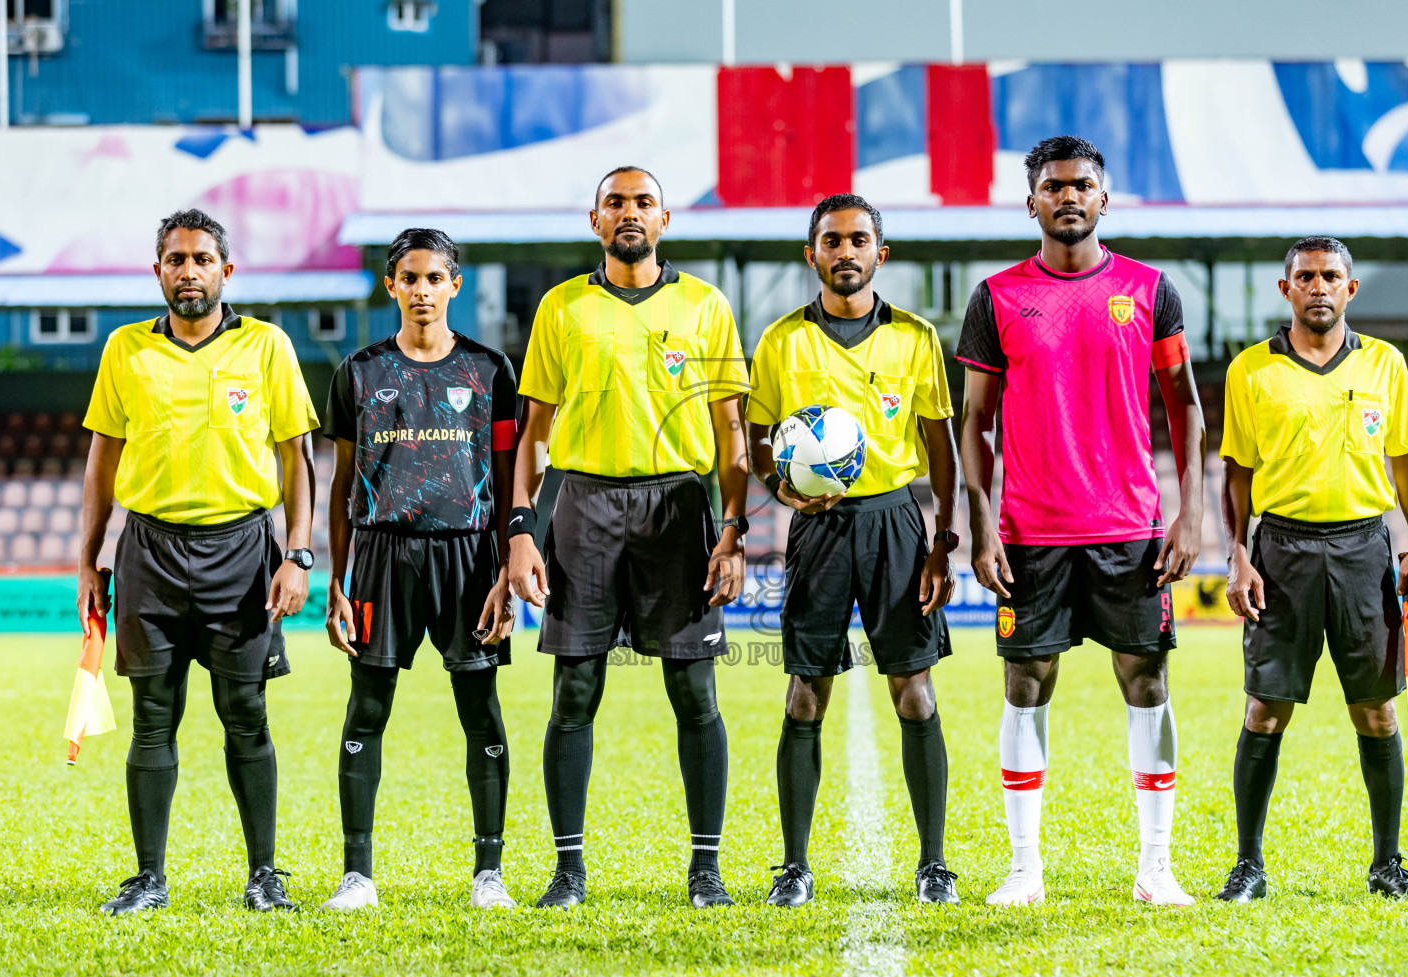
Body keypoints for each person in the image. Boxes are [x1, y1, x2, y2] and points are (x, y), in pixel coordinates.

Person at [959, 136, 1205, 907]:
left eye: (1083, 186)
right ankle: (1024, 870)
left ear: (1105, 198)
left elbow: (1186, 406)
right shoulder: (996, 296)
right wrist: (981, 524)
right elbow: (974, 423)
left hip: (1130, 528)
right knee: (1026, 683)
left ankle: (1156, 867)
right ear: (1030, 200)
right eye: (1054, 187)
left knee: (1147, 679)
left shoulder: (1150, 288)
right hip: (1031, 532)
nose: (1069, 197)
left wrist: (1189, 515)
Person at [508, 166, 750, 909]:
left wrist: (733, 528)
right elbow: (533, 432)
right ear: (595, 220)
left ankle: (705, 869)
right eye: (616, 203)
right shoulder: (562, 308)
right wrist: (522, 529)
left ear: (665, 218)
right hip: (580, 503)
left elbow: (731, 428)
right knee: (574, 688)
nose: (630, 214)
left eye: (643, 202)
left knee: (694, 691)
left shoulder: (706, 306)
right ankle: (569, 870)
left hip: (679, 507)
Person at [78, 208, 320, 915]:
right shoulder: (126, 351)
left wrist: (298, 553)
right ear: (157, 271)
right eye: (176, 260)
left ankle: (264, 876)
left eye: (201, 259)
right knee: (154, 716)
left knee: (245, 713)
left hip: (243, 551)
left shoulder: (267, 347)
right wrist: (89, 559)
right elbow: (102, 462)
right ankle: (149, 878)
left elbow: (297, 458)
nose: (189, 271)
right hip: (149, 551)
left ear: (226, 271)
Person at [747, 194, 960, 907]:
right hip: (818, 530)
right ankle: (795, 866)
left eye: (859, 240)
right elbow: (756, 440)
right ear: (812, 254)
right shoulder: (779, 341)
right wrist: (783, 487)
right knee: (806, 692)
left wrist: (944, 541)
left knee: (914, 692)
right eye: (832, 241)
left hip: (898, 523)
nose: (846, 252)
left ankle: (934, 865)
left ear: (880, 254)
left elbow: (941, 446)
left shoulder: (916, 337)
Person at [1217, 236, 1408, 903]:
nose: (1319, 286)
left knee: (1376, 713)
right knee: (1265, 710)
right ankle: (1249, 866)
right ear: (1285, 290)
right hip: (1281, 552)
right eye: (1305, 277)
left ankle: (1387, 864)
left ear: (1350, 288)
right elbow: (1236, 472)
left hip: (1366, 551)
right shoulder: (1251, 371)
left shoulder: (1385, 365)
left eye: (1331, 276)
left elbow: (1407, 459)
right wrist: (1238, 553)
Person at [319, 228, 520, 911]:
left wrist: (504, 570)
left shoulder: (492, 371)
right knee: (366, 709)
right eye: (410, 278)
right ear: (392, 285)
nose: (423, 290)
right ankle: (357, 876)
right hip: (380, 556)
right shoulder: (360, 372)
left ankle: (488, 873)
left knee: (481, 711)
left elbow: (503, 474)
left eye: (435, 278)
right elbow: (344, 485)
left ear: (454, 284)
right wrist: (338, 585)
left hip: (468, 558)